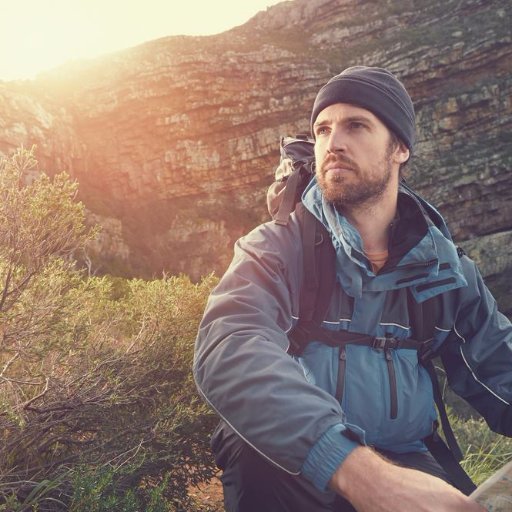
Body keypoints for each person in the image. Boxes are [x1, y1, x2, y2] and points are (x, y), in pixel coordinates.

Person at [193, 66, 511, 511]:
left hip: (407, 458)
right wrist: (355, 470)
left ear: (399, 147)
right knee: (251, 450)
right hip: (298, 463)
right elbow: (229, 346)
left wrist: (393, 479)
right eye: (323, 129)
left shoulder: (444, 270)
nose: (333, 143)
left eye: (356, 125)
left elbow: (499, 365)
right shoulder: (278, 247)